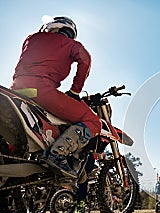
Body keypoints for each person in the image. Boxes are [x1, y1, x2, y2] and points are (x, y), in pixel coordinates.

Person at [10, 16, 101, 178]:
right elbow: (85, 60)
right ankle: (57, 155)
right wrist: (75, 91)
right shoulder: (71, 44)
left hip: (16, 90)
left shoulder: (31, 38)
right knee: (94, 122)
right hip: (41, 91)